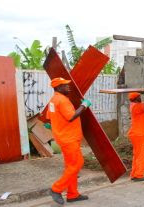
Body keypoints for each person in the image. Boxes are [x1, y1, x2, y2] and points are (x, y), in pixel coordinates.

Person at [46, 77, 92, 205]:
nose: (68, 87)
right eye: (65, 85)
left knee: (71, 166)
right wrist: (84, 105)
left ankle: (72, 194)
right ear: (58, 88)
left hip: (64, 137)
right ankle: (56, 189)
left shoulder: (53, 100)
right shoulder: (62, 100)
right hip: (69, 138)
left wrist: (55, 126)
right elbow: (71, 116)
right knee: (76, 165)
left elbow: (50, 117)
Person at [128, 91, 144, 181]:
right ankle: (139, 175)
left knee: (137, 155)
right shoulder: (136, 106)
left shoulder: (135, 105)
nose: (140, 98)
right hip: (138, 134)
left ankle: (134, 174)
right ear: (136, 98)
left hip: (137, 133)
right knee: (142, 155)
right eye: (139, 96)